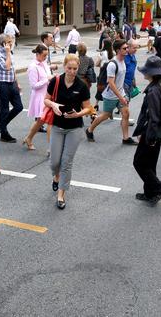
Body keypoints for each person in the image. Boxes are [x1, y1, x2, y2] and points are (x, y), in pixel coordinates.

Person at [45, 54, 92, 209]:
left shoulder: (82, 86)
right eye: (69, 68)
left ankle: (61, 195)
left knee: (66, 162)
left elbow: (88, 108)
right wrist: (53, 105)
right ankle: (56, 177)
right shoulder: (56, 81)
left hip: (74, 128)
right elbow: (46, 99)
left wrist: (78, 114)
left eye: (75, 68)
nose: (72, 71)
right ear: (64, 67)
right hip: (57, 127)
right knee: (54, 162)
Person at [133, 55, 161, 204]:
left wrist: (149, 137)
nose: (144, 73)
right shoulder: (158, 87)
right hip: (154, 132)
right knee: (149, 164)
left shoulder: (153, 91)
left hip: (151, 133)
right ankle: (150, 193)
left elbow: (153, 117)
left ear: (151, 73)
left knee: (139, 162)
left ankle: (159, 187)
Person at [85, 39, 137, 145]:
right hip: (111, 95)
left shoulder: (123, 60)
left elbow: (124, 76)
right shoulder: (112, 64)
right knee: (105, 115)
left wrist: (130, 84)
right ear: (118, 50)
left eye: (127, 47)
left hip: (120, 93)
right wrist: (121, 97)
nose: (127, 49)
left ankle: (126, 138)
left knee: (126, 113)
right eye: (124, 48)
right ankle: (89, 130)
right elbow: (111, 84)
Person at [0, 33, 23, 143]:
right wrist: (8, 53)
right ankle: (3, 133)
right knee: (4, 109)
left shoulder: (9, 52)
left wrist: (17, 82)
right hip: (2, 84)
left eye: (11, 41)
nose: (11, 43)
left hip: (12, 83)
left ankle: (1, 124)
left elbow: (13, 69)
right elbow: (7, 67)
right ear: (3, 43)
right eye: (9, 42)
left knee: (19, 107)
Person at [23, 44, 52, 150]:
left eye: (46, 55)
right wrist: (47, 79)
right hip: (39, 96)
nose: (45, 58)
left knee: (41, 121)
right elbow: (34, 85)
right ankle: (30, 139)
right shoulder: (33, 67)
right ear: (38, 54)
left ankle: (29, 138)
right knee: (44, 121)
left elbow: (48, 75)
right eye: (44, 55)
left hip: (47, 95)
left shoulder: (43, 63)